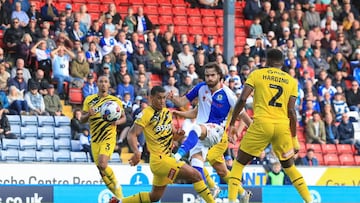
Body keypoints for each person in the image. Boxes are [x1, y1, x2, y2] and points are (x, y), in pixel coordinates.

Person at [228, 49, 312, 203]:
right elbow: (292, 112)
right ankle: (309, 200)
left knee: (239, 163)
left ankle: (232, 200)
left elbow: (242, 99)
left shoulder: (257, 74)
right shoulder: (291, 81)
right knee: (290, 168)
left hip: (261, 124)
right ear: (282, 63)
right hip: (282, 127)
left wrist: (232, 123)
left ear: (267, 61)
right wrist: (294, 139)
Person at [109, 86, 215, 203]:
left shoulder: (166, 113)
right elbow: (132, 134)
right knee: (196, 175)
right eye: (159, 98)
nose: (162, 101)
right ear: (151, 98)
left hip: (166, 158)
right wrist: (137, 152)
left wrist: (178, 134)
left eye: (164, 98)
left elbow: (173, 135)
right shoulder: (146, 114)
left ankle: (119, 202)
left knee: (154, 197)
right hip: (160, 161)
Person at [167, 62, 238, 195]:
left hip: (216, 131)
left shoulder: (228, 94)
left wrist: (238, 130)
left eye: (212, 75)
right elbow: (183, 103)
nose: (209, 78)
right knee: (196, 167)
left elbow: (243, 114)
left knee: (196, 129)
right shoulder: (200, 88)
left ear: (219, 76)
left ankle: (177, 155)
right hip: (201, 135)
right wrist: (173, 99)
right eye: (207, 75)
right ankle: (209, 193)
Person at [80, 75, 127, 200]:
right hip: (95, 139)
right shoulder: (89, 100)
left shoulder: (115, 101)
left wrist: (116, 122)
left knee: (102, 163)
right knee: (101, 170)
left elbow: (124, 118)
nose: (103, 84)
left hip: (108, 137)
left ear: (109, 84)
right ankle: (119, 197)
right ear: (97, 84)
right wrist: (88, 114)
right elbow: (81, 120)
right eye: (101, 81)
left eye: (106, 81)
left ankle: (118, 186)